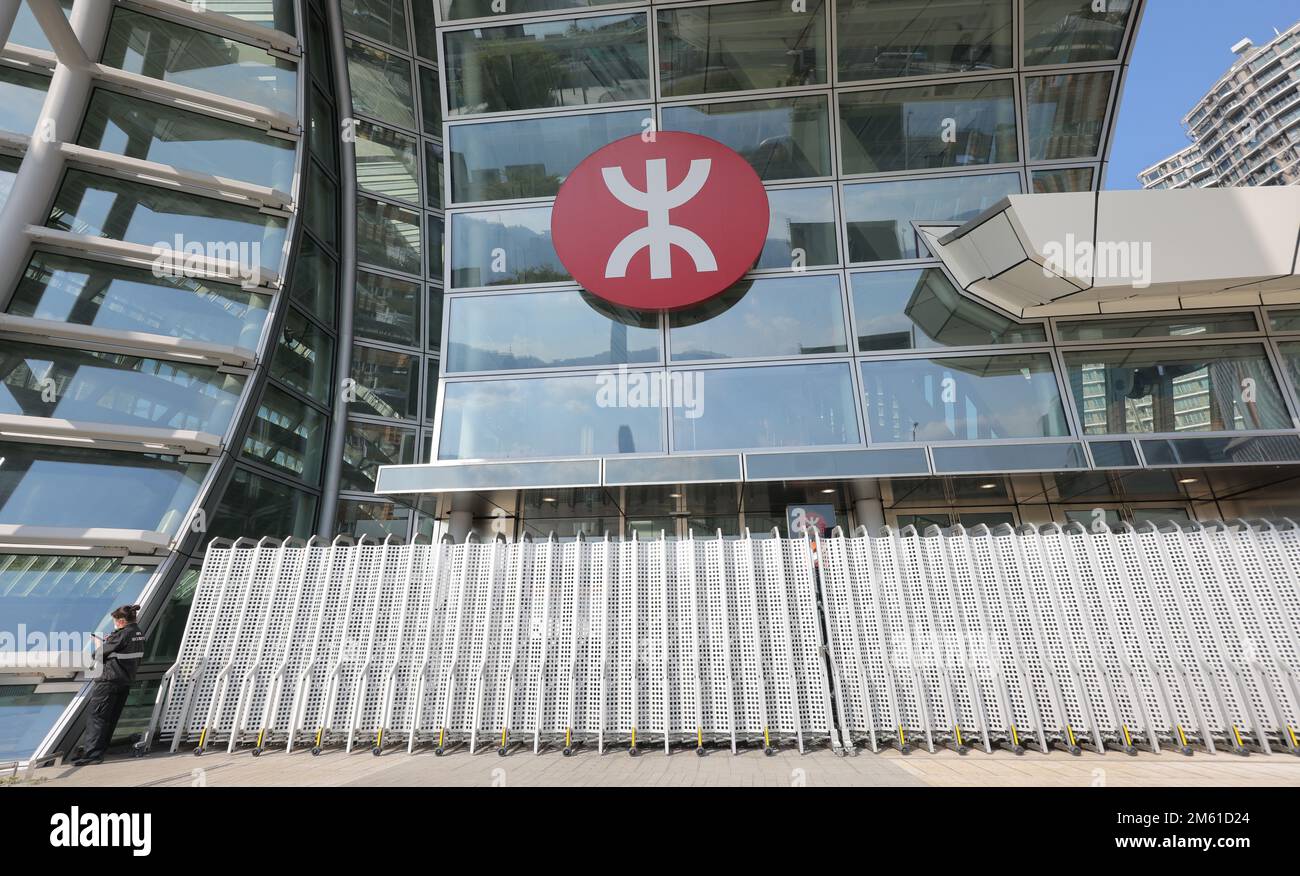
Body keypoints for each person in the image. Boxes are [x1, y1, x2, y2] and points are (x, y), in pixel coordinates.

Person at [73, 605, 147, 766]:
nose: (114, 623)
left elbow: (98, 654)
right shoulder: (138, 633)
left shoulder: (122, 635)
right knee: (110, 719)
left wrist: (99, 644)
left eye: (115, 621)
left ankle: (92, 755)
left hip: (108, 681)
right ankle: (98, 752)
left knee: (98, 718)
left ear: (121, 621)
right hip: (124, 681)